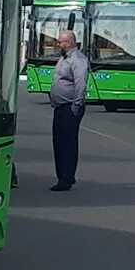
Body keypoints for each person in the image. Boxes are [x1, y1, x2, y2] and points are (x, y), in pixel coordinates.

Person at [46, 29, 90, 191]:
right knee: (58, 142)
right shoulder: (64, 58)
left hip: (70, 107)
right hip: (60, 107)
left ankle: (66, 178)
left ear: (69, 43)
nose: (58, 44)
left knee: (67, 144)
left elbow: (80, 85)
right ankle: (61, 176)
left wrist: (76, 106)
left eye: (60, 42)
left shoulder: (78, 60)